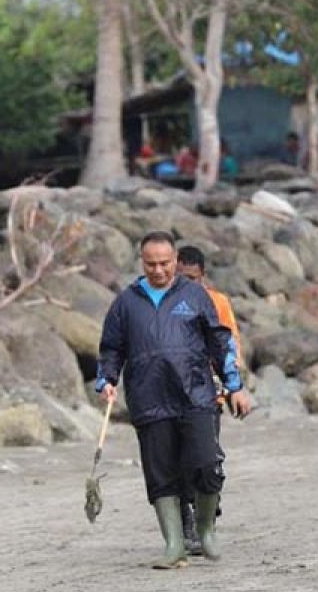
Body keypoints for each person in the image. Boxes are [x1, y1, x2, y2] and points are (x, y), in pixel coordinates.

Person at [96, 232, 252, 569]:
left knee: (207, 464)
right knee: (161, 474)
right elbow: (111, 348)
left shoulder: (195, 295)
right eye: (151, 264)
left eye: (165, 263)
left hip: (195, 395)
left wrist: (234, 386)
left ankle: (206, 528)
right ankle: (173, 544)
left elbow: (220, 342)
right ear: (142, 261)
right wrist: (106, 379)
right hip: (149, 399)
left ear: (175, 259)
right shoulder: (126, 302)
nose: (158, 270)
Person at [175, 245, 246, 555]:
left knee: (206, 457)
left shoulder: (217, 303)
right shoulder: (162, 302)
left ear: (203, 276)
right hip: (170, 393)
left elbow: (230, 345)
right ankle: (187, 525)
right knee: (174, 462)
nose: (186, 284)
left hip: (208, 392)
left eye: (192, 278)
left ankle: (206, 514)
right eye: (181, 278)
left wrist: (234, 388)